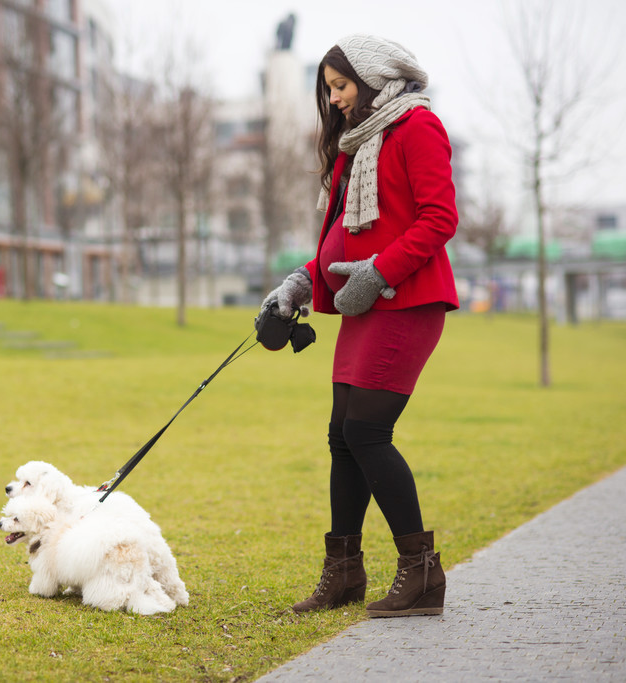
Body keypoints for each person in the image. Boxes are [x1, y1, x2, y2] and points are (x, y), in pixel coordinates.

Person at [259, 34, 459, 617]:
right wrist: (298, 284)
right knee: (341, 436)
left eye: (340, 85)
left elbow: (439, 218)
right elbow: (343, 240)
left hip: (407, 301)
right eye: (328, 89)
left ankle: (421, 574)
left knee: (367, 433)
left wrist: (379, 271)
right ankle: (344, 573)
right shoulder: (357, 145)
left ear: (372, 78)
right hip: (365, 304)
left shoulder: (416, 127)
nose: (336, 98)